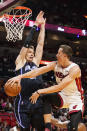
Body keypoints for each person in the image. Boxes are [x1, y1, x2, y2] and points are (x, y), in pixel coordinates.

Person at [5, 45, 85, 131]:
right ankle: (48, 127)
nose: (56, 55)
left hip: (75, 98)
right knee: (46, 97)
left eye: (59, 53)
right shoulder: (55, 64)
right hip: (63, 96)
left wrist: (39, 91)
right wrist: (20, 76)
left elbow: (60, 86)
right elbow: (37, 71)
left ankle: (63, 124)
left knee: (72, 127)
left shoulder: (75, 69)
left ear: (65, 56)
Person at [6, 11, 46, 131]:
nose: (31, 53)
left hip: (37, 102)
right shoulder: (20, 62)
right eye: (29, 52)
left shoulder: (35, 62)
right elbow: (26, 43)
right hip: (22, 103)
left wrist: (43, 26)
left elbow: (40, 44)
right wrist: (35, 25)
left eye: (32, 53)